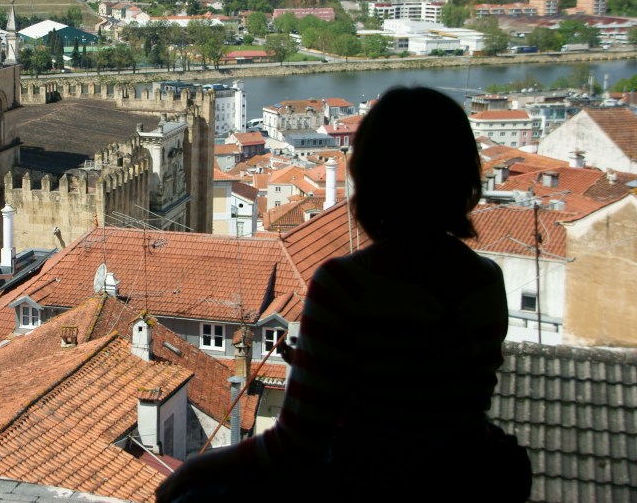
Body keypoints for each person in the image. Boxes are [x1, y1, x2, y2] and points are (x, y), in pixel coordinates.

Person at [156, 86, 530, 503]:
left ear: (371, 180)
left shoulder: (345, 285)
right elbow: (440, 395)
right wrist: (329, 369)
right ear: (461, 178)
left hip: (369, 484)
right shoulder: (485, 280)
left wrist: (195, 468)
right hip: (460, 482)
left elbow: (296, 443)